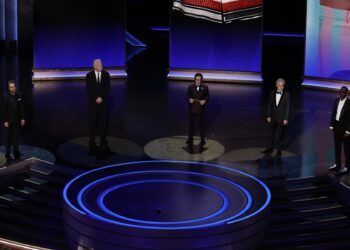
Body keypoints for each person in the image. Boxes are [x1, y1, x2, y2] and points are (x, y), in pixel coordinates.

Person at [86, 59, 111, 159]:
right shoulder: (89, 75)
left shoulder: (106, 74)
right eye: (99, 65)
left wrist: (101, 97)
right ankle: (92, 138)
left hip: (103, 102)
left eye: (101, 64)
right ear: (95, 66)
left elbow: (107, 88)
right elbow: (89, 89)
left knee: (103, 120)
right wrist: (96, 97)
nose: (101, 66)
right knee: (93, 120)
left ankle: (102, 137)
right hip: (93, 102)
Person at [262, 78, 290, 158]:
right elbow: (269, 105)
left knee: (280, 135)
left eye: (282, 86)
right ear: (276, 85)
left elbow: (287, 107)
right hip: (273, 117)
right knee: (271, 134)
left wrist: (286, 118)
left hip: (281, 118)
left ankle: (279, 151)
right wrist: (268, 115)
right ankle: (269, 149)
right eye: (279, 85)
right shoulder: (272, 93)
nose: (281, 87)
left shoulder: (287, 94)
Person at [186, 73, 209, 153]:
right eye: (196, 79)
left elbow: (207, 97)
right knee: (191, 125)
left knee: (201, 126)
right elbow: (187, 96)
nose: (198, 81)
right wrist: (189, 99)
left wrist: (205, 101)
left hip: (200, 110)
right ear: (194, 79)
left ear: (201, 80)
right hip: (192, 110)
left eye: (199, 80)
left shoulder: (205, 87)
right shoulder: (190, 86)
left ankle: (202, 140)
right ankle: (190, 139)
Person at [329, 86, 350, 175]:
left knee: (347, 150)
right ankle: (337, 164)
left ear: (347, 93)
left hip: (345, 129)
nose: (342, 93)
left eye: (344, 92)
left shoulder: (349, 103)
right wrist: (331, 125)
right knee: (337, 148)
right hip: (336, 127)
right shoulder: (336, 100)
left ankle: (347, 167)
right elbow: (333, 113)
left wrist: (349, 131)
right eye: (340, 92)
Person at [3, 80, 25, 162]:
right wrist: (5, 120)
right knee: (8, 138)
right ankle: (7, 153)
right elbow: (3, 110)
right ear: (9, 88)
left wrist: (23, 118)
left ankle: (16, 152)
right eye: (11, 87)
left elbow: (21, 107)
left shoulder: (19, 95)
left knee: (16, 137)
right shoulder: (5, 97)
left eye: (14, 86)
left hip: (17, 119)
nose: (13, 88)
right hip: (8, 120)